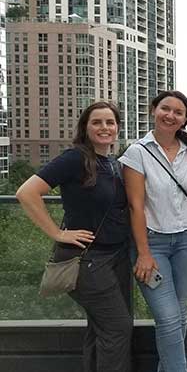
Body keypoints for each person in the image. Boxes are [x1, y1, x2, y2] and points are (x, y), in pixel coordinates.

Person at [17, 101, 132, 372]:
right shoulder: (75, 158)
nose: (104, 127)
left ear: (117, 128)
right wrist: (57, 232)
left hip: (114, 258)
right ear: (85, 127)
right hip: (88, 261)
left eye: (110, 122)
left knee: (100, 327)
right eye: (97, 122)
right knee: (118, 327)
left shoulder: (111, 163)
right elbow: (26, 193)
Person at [119, 91, 187, 372]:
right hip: (152, 243)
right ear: (153, 110)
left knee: (179, 316)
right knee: (168, 318)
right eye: (165, 109)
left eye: (178, 112)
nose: (170, 115)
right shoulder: (137, 152)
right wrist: (143, 253)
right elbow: (135, 206)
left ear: (185, 120)